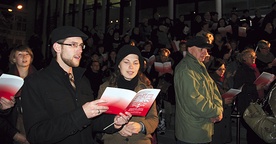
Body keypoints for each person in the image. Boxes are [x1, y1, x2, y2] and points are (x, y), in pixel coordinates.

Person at [21, 26, 131, 144]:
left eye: (81, 45)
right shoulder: (35, 82)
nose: (80, 50)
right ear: (57, 47)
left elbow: (91, 124)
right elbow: (36, 135)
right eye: (73, 45)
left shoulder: (83, 80)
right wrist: (82, 114)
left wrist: (115, 122)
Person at [97, 44, 159, 144]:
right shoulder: (105, 88)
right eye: (126, 62)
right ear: (118, 64)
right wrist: (116, 128)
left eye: (135, 63)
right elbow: (98, 119)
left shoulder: (146, 89)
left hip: (140, 140)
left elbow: (154, 118)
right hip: (114, 140)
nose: (131, 67)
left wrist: (141, 126)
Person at [174, 36, 223, 144]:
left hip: (202, 127)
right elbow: (194, 101)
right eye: (201, 49)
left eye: (206, 50)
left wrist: (218, 108)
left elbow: (213, 89)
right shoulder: (185, 69)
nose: (205, 53)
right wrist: (216, 111)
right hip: (192, 132)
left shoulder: (199, 66)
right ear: (190, 49)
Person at [233, 48, 268, 144]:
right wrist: (255, 87)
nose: (254, 58)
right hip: (248, 105)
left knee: (258, 132)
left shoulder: (254, 69)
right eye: (251, 56)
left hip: (257, 103)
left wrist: (264, 86)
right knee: (253, 133)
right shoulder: (242, 70)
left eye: (254, 56)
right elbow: (238, 87)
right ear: (244, 58)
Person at [6, 45, 37, 142]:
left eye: (27, 54)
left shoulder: (39, 78)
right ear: (14, 59)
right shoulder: (6, 80)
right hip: (15, 124)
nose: (24, 57)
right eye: (20, 54)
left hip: (35, 122)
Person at [208, 59, 233, 144]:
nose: (222, 71)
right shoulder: (210, 80)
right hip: (216, 114)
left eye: (224, 69)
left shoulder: (224, 80)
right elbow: (209, 98)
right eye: (219, 69)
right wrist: (223, 101)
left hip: (225, 113)